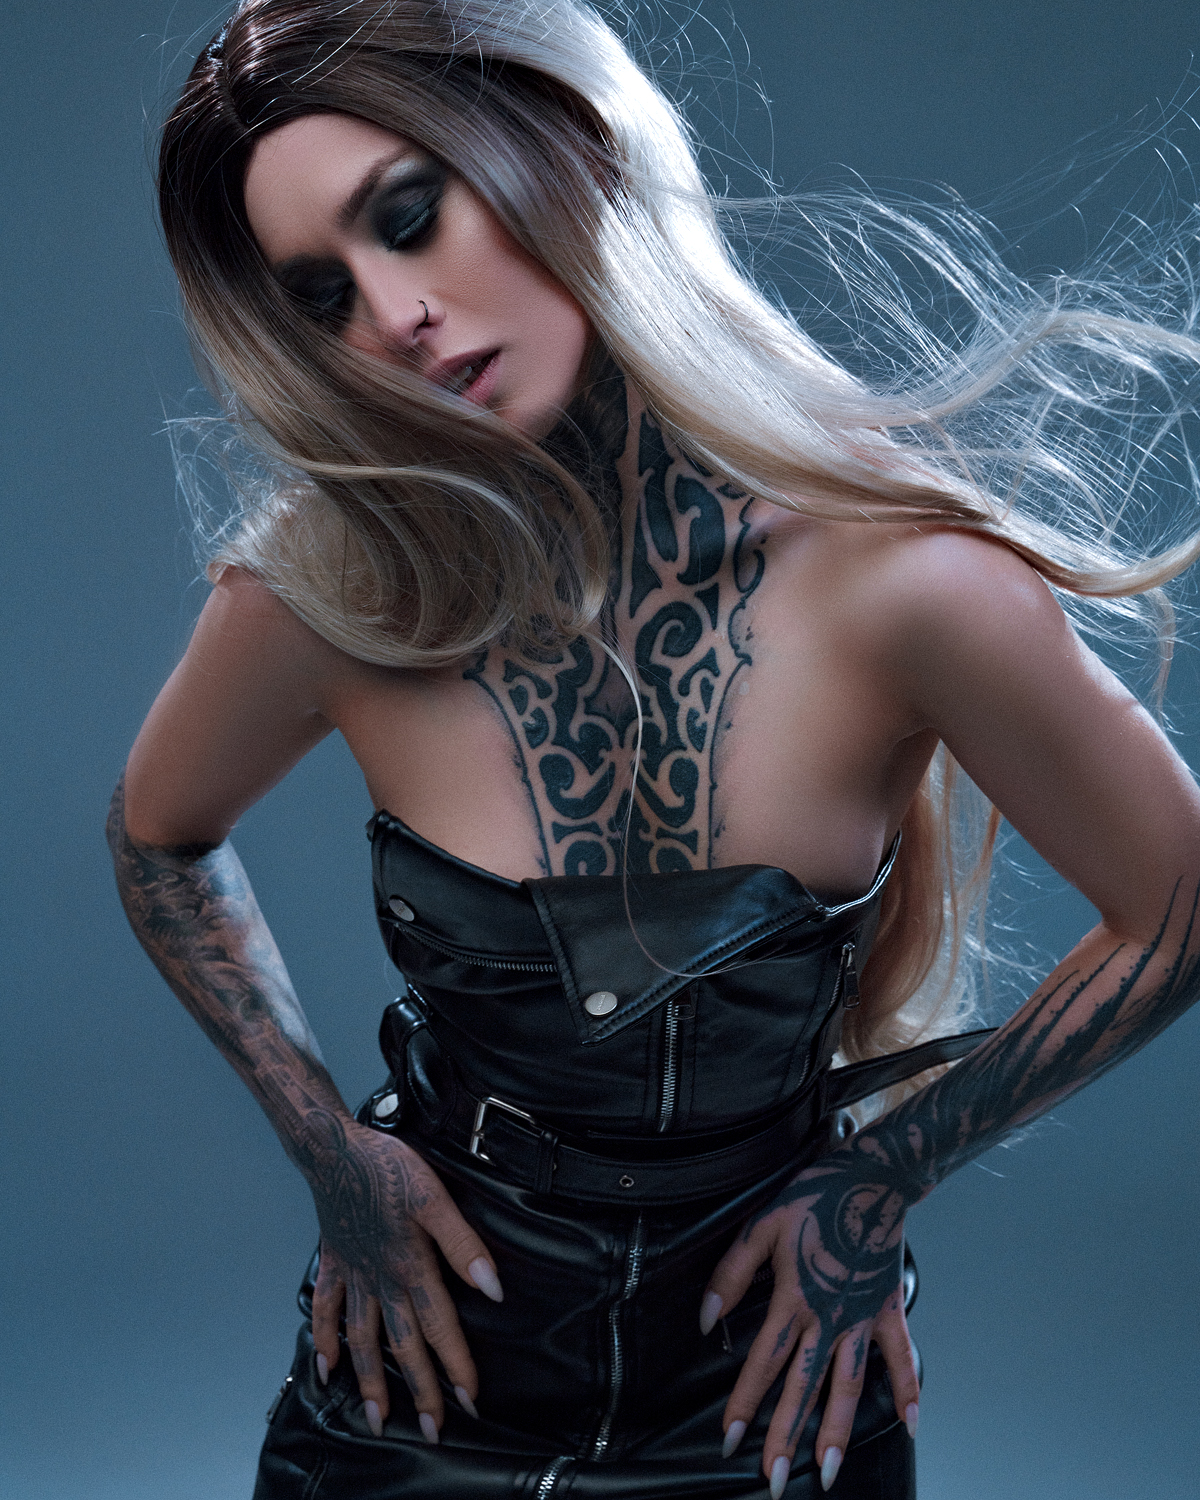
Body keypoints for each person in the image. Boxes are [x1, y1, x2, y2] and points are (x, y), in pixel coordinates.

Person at [108, 1, 1200, 1495]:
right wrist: (332, 1156)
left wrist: (880, 1180)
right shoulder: (336, 587)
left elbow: (1177, 901)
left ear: (567, 148)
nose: (394, 314)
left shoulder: (905, 585)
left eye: (410, 217)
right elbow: (157, 835)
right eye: (323, 294)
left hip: (766, 1378)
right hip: (420, 1368)